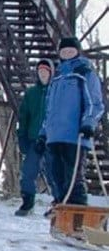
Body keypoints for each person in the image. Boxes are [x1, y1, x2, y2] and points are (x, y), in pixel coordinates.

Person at [38, 37, 105, 207]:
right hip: (54, 136)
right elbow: (49, 110)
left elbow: (94, 103)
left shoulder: (84, 73)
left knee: (73, 179)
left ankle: (78, 215)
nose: (67, 53)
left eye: (71, 50)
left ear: (77, 51)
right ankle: (62, 212)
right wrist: (43, 134)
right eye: (64, 51)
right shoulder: (57, 78)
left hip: (74, 135)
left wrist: (88, 123)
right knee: (56, 177)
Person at [15, 59, 53, 216]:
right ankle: (28, 201)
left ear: (51, 73)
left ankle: (58, 203)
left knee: (53, 173)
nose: (43, 74)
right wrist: (21, 135)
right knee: (29, 171)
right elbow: (24, 116)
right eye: (40, 72)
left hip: (52, 140)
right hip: (33, 138)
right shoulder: (31, 93)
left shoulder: (55, 90)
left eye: (45, 71)